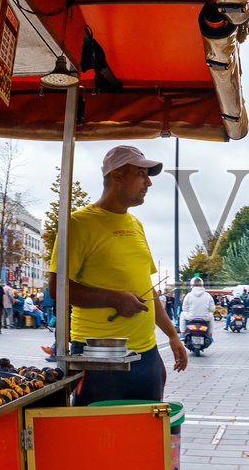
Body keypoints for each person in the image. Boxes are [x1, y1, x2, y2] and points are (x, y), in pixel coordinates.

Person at [47, 145, 187, 404]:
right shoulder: (78, 223)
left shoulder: (136, 224)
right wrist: (114, 298)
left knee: (145, 436)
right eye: (141, 174)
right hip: (98, 356)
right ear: (117, 175)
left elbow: (148, 288)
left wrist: (171, 335)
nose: (148, 183)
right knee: (98, 437)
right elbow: (58, 289)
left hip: (146, 353)